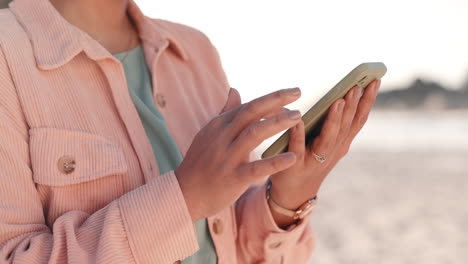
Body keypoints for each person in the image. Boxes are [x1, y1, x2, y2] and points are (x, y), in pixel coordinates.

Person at [0, 0, 381, 263]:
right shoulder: (7, 57)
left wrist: (288, 198)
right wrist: (183, 199)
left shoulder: (195, 52)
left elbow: (231, 248)